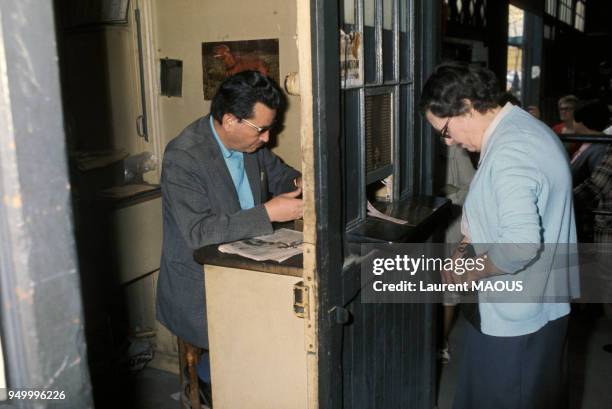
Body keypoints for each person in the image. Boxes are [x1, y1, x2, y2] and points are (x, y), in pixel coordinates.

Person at [420, 62, 577, 409]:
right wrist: (465, 247)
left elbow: (520, 245)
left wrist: (470, 271)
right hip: (528, 305)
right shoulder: (520, 128)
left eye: (444, 130)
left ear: (466, 106)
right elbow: (499, 213)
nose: (449, 142)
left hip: (519, 316)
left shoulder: (510, 151)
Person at [156, 71, 303, 407]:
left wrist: (302, 181)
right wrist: (268, 213)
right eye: (261, 129)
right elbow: (199, 232)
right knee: (264, 336)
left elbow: (281, 175)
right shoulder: (183, 156)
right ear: (229, 120)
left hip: (243, 268)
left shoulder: (249, 143)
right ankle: (209, 383)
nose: (267, 138)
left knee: (288, 323)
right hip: (198, 286)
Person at [570, 100, 611, 186]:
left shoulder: (600, 149)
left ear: (580, 122)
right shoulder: (590, 143)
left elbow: (598, 185)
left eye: (573, 119)